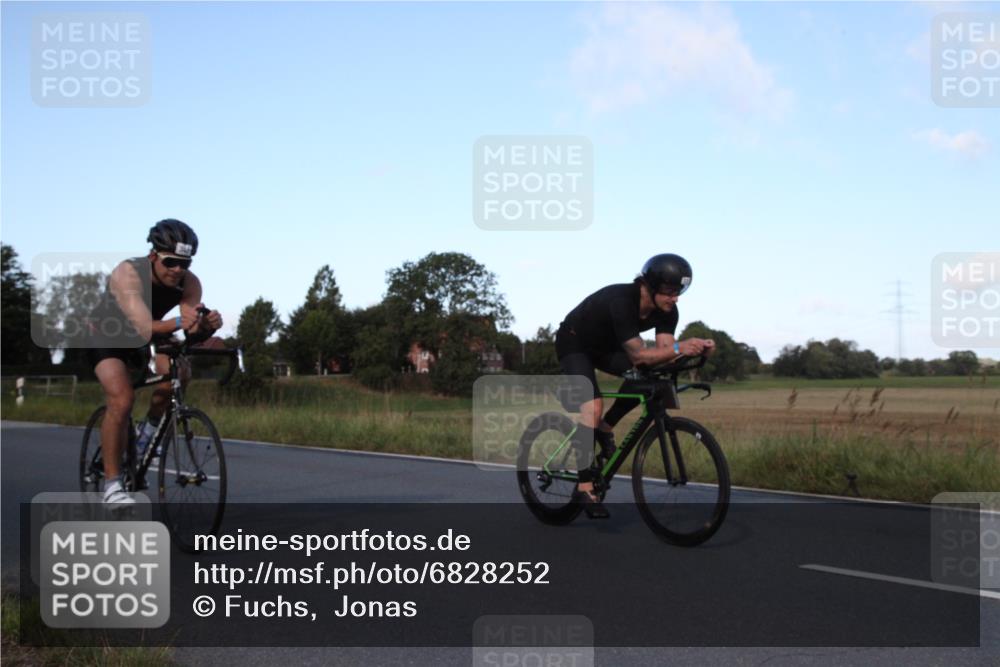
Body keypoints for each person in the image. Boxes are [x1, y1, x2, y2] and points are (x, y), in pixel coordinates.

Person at [555, 253, 715, 519]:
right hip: (575, 343)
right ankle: (584, 487)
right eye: (670, 292)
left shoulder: (668, 311)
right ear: (649, 286)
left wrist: (697, 350)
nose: (675, 298)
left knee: (648, 377)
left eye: (679, 292)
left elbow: (665, 353)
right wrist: (680, 347)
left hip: (608, 348)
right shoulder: (622, 301)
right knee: (593, 407)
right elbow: (640, 355)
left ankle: (605, 428)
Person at [87, 219, 223, 505]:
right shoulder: (129, 272)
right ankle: (112, 485)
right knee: (122, 399)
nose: (178, 270)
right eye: (170, 262)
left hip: (151, 331)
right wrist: (180, 322)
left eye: (184, 263)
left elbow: (190, 330)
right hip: (108, 335)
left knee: (180, 373)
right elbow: (142, 326)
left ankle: (146, 434)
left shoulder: (190, 282)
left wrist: (205, 327)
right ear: (153, 256)